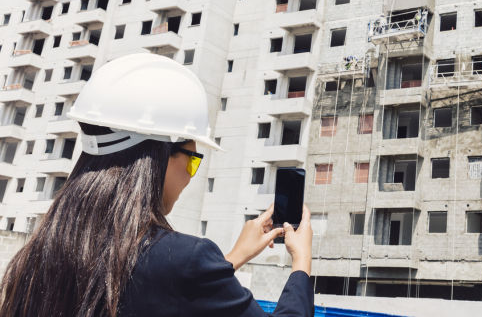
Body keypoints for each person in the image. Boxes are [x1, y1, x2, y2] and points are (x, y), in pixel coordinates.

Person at [0, 54, 314, 317]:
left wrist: (231, 259)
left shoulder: (43, 250)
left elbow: (155, 287)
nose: (191, 175)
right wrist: (301, 261)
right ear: (158, 157)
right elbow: (168, 280)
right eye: (193, 160)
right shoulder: (187, 258)